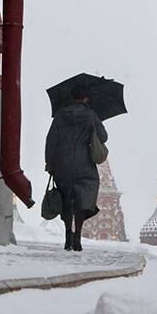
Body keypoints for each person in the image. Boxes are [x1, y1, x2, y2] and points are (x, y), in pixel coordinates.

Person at [45, 85, 107, 251]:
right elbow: (104, 137)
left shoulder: (60, 116)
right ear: (86, 98)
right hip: (84, 163)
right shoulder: (91, 115)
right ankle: (77, 236)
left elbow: (51, 140)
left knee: (66, 197)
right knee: (83, 199)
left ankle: (67, 235)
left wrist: (49, 163)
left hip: (62, 163)